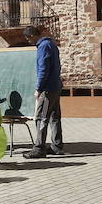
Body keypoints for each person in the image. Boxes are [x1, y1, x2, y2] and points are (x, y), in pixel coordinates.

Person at [22, 25, 64, 158]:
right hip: (56, 86)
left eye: (28, 39)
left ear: (32, 36)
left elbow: (43, 69)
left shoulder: (43, 46)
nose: (29, 41)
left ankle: (39, 148)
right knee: (54, 117)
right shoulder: (51, 44)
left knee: (41, 118)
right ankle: (57, 146)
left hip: (47, 88)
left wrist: (39, 88)